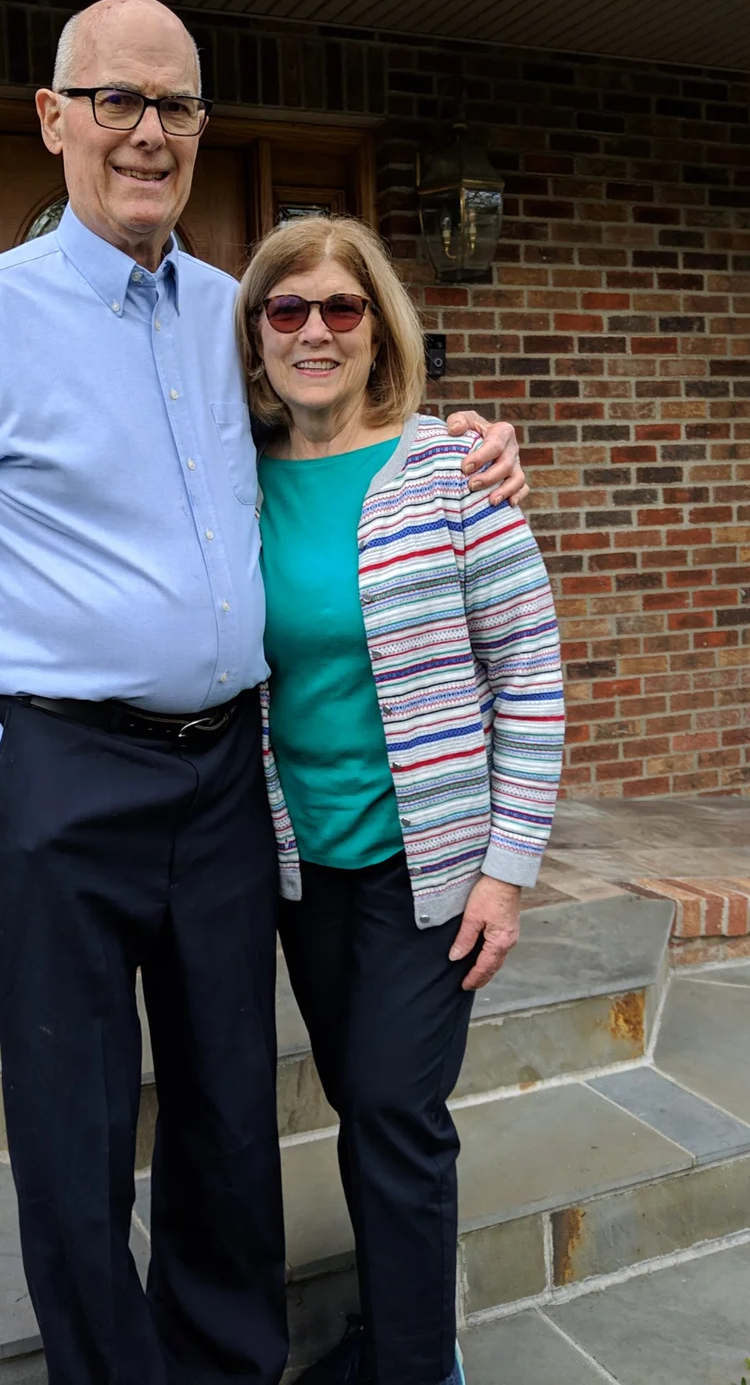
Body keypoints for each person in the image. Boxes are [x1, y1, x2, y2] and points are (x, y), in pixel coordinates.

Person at [0, 0, 528, 1385]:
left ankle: (224, 1367)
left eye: (177, 105)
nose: (148, 133)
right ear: (55, 119)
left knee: (226, 1115)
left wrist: (464, 443)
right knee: (76, 1131)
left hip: (224, 783)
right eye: (118, 101)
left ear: (202, 128)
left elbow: (345, 418)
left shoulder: (233, 318)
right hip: (60, 778)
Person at [235, 214, 565, 1385]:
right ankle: (393, 1334)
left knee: (391, 1107)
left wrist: (506, 873)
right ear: (257, 334)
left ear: (379, 330)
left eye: (342, 307)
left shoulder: (452, 469)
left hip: (429, 869)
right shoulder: (234, 481)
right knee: (363, 1104)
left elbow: (529, 672)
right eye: (287, 309)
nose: (314, 332)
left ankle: (421, 1366)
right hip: (300, 867)